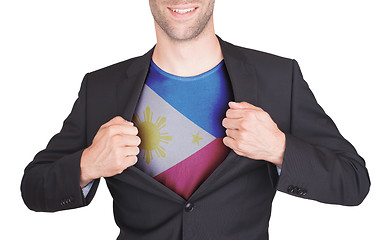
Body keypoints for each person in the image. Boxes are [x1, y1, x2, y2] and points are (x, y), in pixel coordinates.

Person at [21, 0, 370, 239]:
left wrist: (280, 148)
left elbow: (353, 181)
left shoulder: (279, 78)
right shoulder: (101, 88)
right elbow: (34, 188)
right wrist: (87, 165)